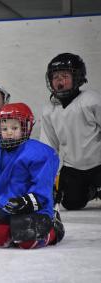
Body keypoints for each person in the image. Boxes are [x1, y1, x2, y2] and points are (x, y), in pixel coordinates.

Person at [0, 103, 64, 249]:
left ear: (26, 128)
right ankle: (15, 230)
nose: (9, 132)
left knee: (28, 242)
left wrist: (26, 202)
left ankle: (54, 227)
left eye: (14, 128)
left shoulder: (37, 152)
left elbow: (42, 187)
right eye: (4, 129)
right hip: (9, 208)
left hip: (36, 208)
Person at [41, 52, 101, 210]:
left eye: (65, 75)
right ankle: (91, 190)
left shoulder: (91, 100)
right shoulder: (49, 110)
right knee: (70, 203)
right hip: (72, 168)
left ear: (78, 77)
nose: (59, 80)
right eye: (55, 77)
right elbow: (49, 147)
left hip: (98, 164)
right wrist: (46, 180)